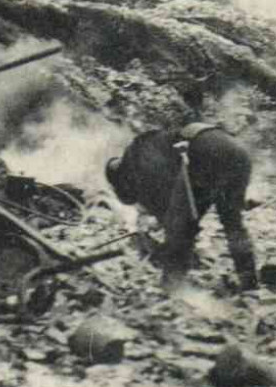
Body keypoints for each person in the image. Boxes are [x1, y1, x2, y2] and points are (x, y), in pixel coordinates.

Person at [105, 123, 259, 292]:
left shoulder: (135, 154)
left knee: (179, 224)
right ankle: (248, 279)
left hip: (204, 153)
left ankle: (173, 283)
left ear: (121, 177)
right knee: (232, 222)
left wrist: (166, 222)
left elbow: (163, 198)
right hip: (239, 154)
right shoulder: (155, 142)